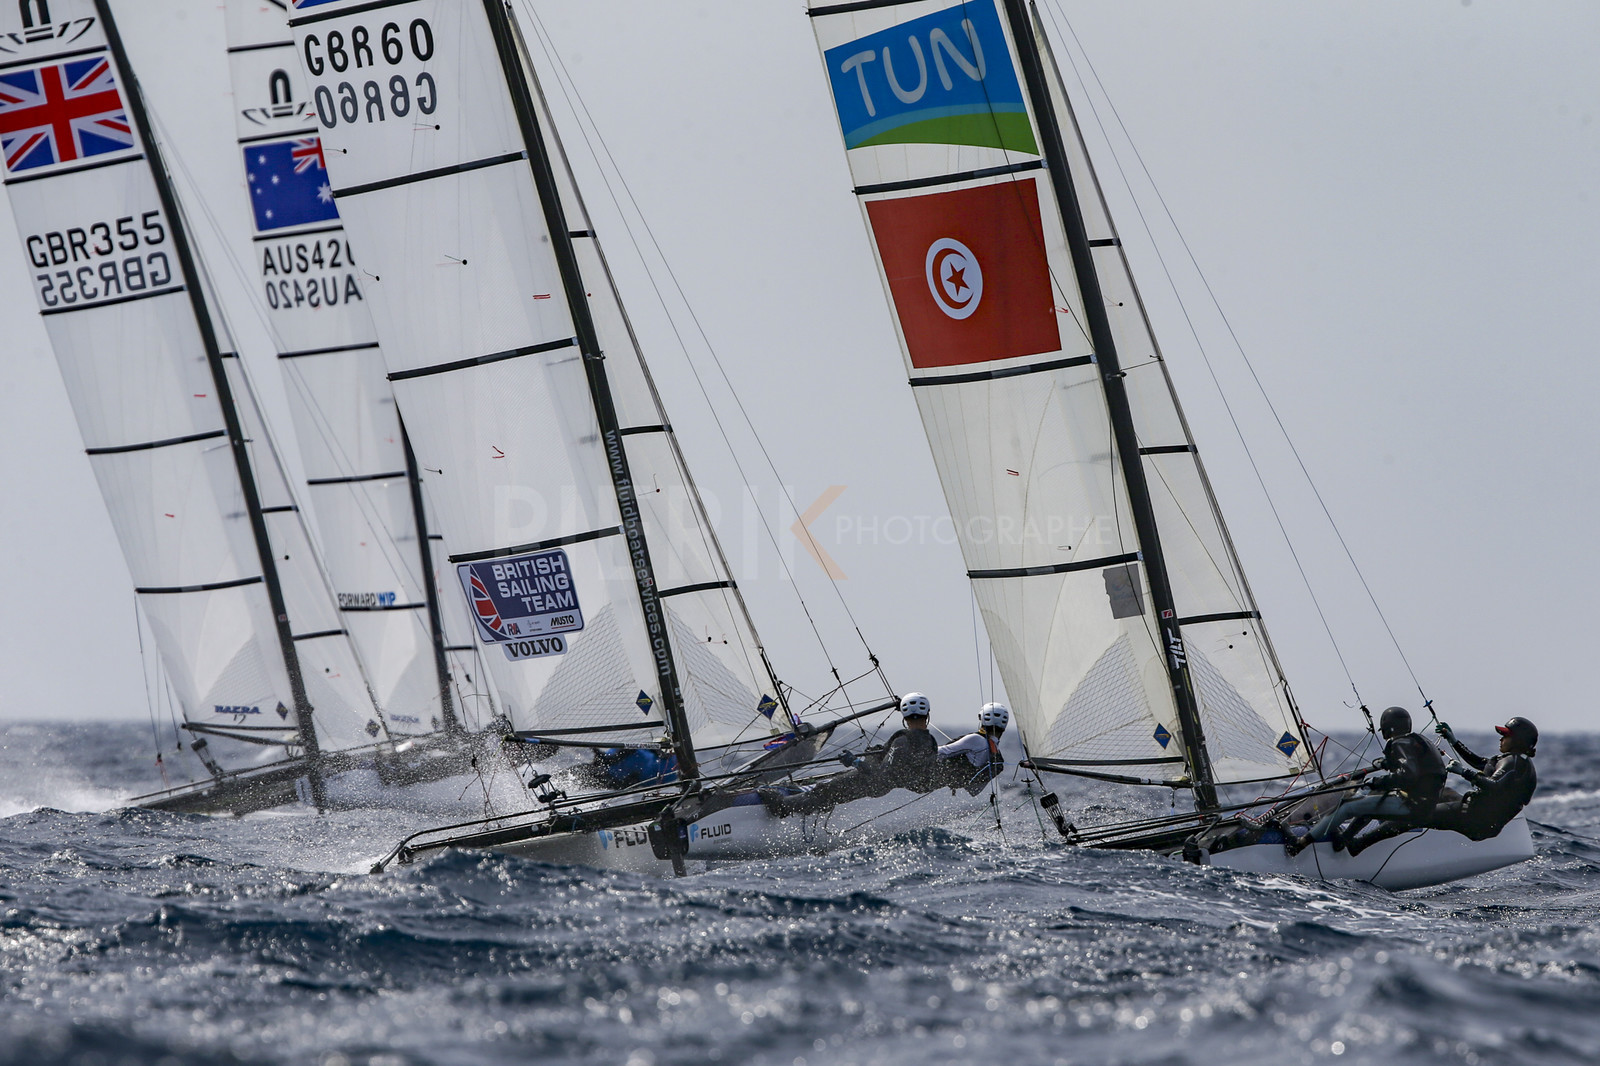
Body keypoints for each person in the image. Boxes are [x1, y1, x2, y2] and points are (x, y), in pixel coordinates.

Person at [1286, 706, 1445, 856]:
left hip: (1412, 806)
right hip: (1425, 804)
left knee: (1347, 806)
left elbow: (1408, 775)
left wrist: (1379, 781)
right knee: (1370, 800)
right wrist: (1388, 764)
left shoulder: (1399, 743)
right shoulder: (1418, 741)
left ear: (1388, 727)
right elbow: (1418, 767)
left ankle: (1300, 844)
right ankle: (1344, 839)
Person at [762, 693, 939, 816]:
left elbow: (882, 776)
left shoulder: (902, 742)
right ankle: (803, 799)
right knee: (831, 786)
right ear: (927, 715)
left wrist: (855, 762)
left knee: (826, 790)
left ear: (904, 716)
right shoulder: (929, 741)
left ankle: (782, 807)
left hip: (871, 783)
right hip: (882, 785)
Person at [1423, 717, 1538, 840]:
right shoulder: (1517, 760)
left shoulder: (1514, 763)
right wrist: (1454, 741)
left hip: (1475, 822)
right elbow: (1480, 763)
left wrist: (1463, 772)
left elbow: (1494, 786)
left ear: (1518, 741)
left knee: (1420, 814)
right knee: (1445, 793)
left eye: (1505, 735)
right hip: (1479, 815)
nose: (1501, 738)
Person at [934, 702, 1008, 795]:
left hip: (942, 782)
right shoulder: (994, 748)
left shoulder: (976, 739)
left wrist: (918, 753)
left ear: (981, 718)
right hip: (969, 791)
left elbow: (942, 752)